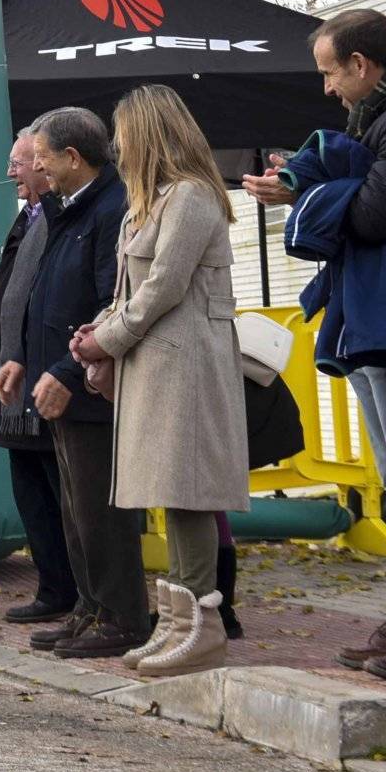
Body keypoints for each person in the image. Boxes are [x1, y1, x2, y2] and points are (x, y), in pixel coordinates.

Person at [249, 9, 386, 683]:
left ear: (362, 65)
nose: (326, 89)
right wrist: (307, 186)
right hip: (385, 316)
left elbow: (376, 212)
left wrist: (305, 196)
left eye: (331, 72)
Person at [68, 84, 248, 677]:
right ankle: (176, 624)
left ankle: (199, 627)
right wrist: (97, 329)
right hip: (159, 363)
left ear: (148, 135)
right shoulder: (153, 201)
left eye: (122, 136)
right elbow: (130, 291)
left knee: (189, 490)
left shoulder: (192, 196)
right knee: (172, 492)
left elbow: (164, 285)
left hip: (188, 364)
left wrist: (108, 339)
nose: (117, 148)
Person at [11, 107, 145, 659]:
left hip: (92, 385)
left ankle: (121, 616)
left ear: (72, 157)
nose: (36, 167)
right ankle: (90, 609)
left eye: (41, 157)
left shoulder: (109, 209)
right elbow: (47, 297)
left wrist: (66, 371)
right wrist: (23, 358)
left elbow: (106, 302)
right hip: (60, 378)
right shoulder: (69, 212)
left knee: (101, 510)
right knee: (76, 509)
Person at [0, 127, 75, 626]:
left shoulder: (61, 216)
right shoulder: (31, 216)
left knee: (54, 488)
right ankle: (53, 585)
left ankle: (67, 588)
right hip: (17, 379)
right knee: (30, 487)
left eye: (19, 163)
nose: (11, 173)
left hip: (45, 377)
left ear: (45, 164)